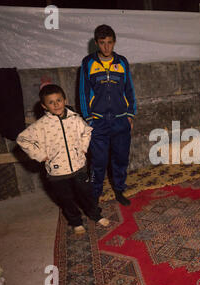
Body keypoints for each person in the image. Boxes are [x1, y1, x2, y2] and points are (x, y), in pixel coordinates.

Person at [17, 84, 110, 235]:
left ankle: (95, 215)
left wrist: (83, 148)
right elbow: (22, 139)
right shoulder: (41, 125)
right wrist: (40, 155)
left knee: (86, 194)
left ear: (65, 100)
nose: (56, 105)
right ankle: (76, 221)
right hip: (57, 173)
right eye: (51, 102)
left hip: (79, 166)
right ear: (44, 106)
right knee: (66, 199)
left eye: (59, 100)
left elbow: (87, 131)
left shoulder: (75, 119)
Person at [79, 24, 137, 207]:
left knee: (120, 158)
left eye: (110, 43)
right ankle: (95, 195)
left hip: (121, 121)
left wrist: (130, 115)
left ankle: (119, 190)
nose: (106, 47)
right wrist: (89, 119)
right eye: (102, 43)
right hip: (99, 122)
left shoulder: (122, 62)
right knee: (98, 161)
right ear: (96, 43)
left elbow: (130, 90)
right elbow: (83, 92)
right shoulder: (88, 62)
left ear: (114, 42)